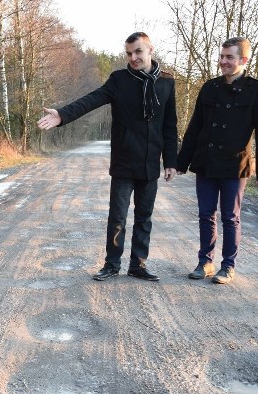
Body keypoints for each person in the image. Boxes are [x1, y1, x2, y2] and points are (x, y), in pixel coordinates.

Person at [37, 32, 177, 282]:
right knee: (118, 218)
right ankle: (111, 265)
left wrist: (171, 161)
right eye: (129, 53)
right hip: (124, 162)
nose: (133, 57)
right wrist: (62, 115)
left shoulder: (167, 83)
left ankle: (138, 266)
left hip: (150, 164)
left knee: (144, 218)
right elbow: (91, 100)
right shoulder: (119, 80)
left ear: (150, 50)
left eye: (137, 52)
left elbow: (170, 125)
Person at [177, 37, 258, 284]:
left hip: (235, 164)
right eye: (221, 57)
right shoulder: (209, 88)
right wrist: (182, 161)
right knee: (205, 214)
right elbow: (195, 126)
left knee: (230, 217)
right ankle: (205, 262)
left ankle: (228, 266)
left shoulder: (256, 89)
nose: (223, 61)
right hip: (206, 162)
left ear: (243, 59)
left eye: (229, 57)